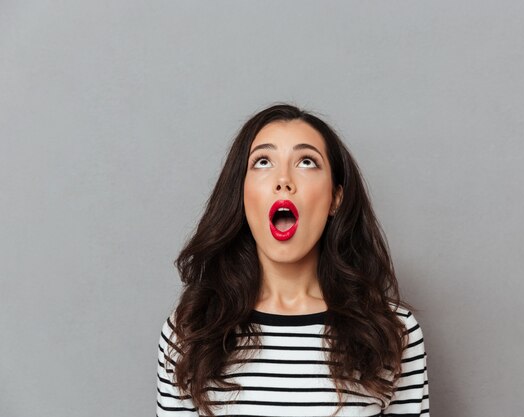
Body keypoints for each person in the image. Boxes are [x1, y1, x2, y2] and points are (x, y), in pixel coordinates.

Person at [156, 104, 430, 416]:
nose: (283, 180)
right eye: (262, 161)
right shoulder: (191, 330)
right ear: (241, 194)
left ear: (335, 198)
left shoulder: (391, 331)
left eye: (306, 162)